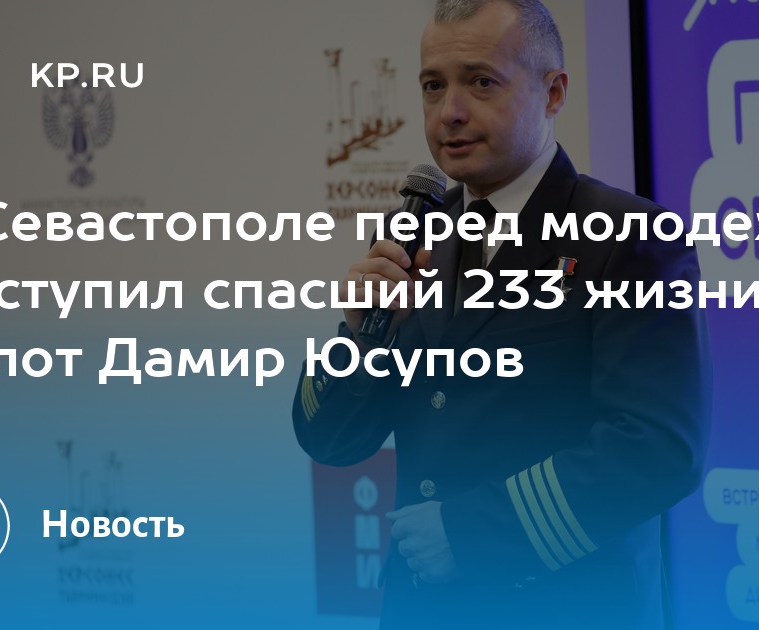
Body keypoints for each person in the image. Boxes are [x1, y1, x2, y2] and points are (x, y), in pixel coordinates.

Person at [292, 1, 711, 627]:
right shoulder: (414, 234)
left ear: (554, 92)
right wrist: (357, 340)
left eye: (481, 81)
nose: (450, 111)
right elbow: (329, 441)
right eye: (433, 86)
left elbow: (659, 447)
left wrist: (469, 532)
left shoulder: (630, 235)